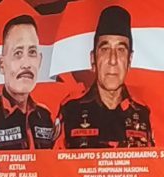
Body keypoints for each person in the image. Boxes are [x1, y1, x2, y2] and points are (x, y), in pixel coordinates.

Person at [55, 5, 154, 148]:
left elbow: (152, 161)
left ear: (129, 60)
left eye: (121, 50)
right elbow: (53, 160)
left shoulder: (142, 113)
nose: (113, 60)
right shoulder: (71, 110)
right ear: (93, 59)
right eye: (105, 49)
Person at [0, 15, 55, 150]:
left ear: (40, 60)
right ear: (1, 64)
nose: (26, 64)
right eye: (18, 53)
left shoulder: (45, 116)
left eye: (32, 52)